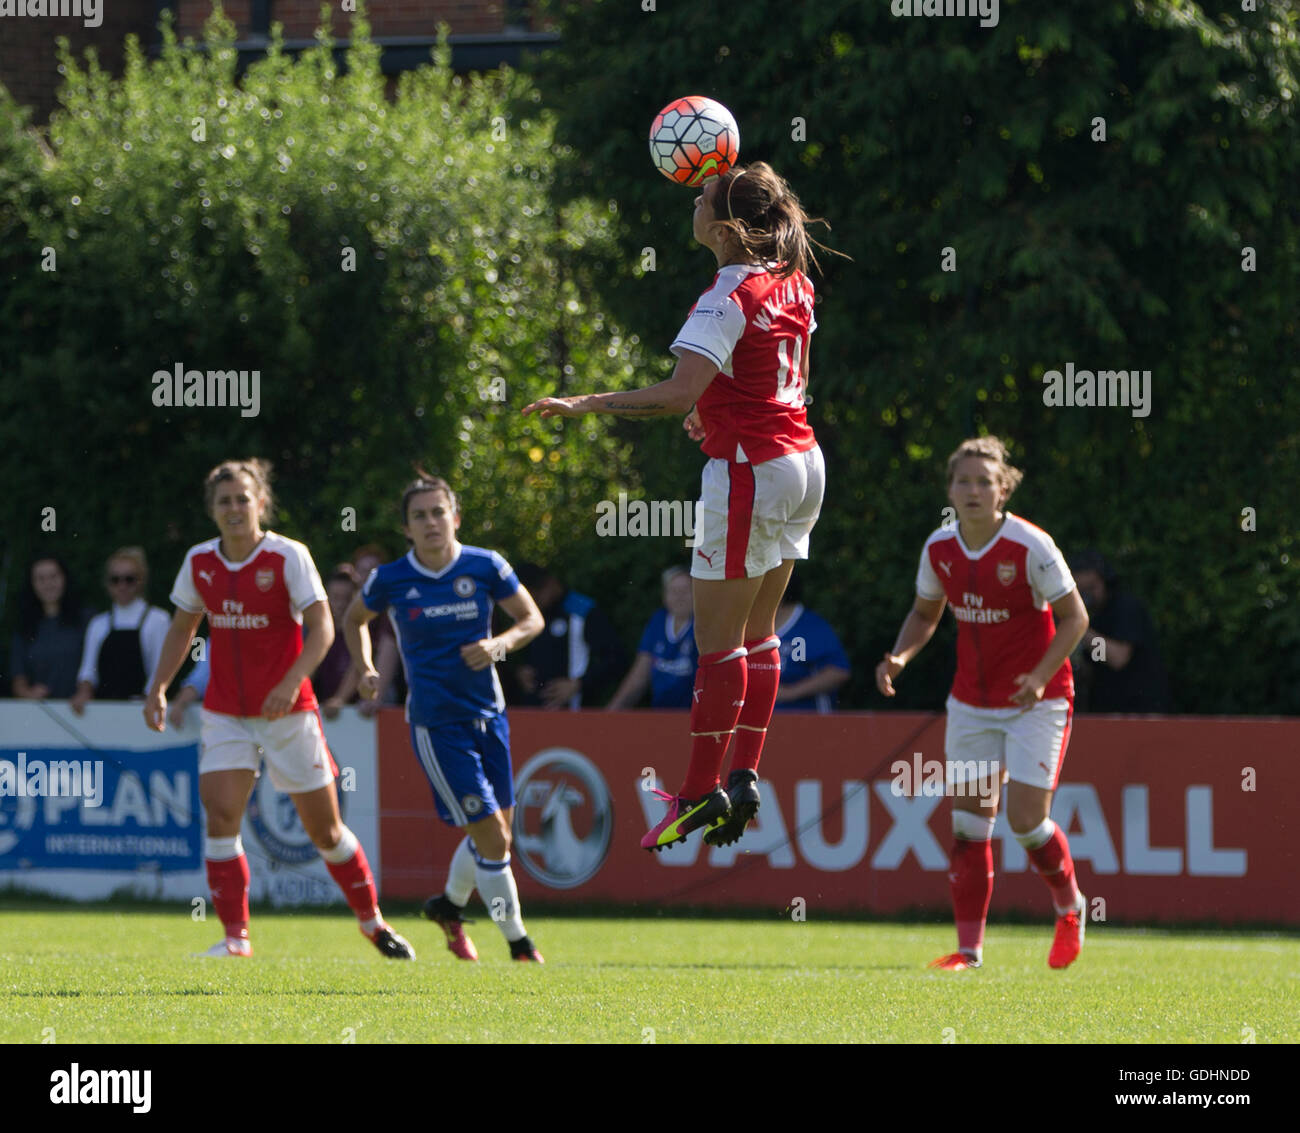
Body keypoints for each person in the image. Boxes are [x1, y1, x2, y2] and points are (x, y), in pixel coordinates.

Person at [524, 160, 838, 851]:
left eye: (701, 195)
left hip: (750, 470)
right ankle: (746, 774)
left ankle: (699, 792)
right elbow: (784, 382)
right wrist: (715, 407)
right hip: (802, 463)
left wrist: (585, 403)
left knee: (715, 644)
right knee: (759, 632)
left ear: (724, 227)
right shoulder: (794, 282)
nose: (691, 199)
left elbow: (673, 392)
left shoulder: (728, 293)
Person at [143, 459, 413, 961]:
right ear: (212, 510)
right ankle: (235, 939)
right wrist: (159, 686)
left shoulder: (288, 556)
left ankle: (372, 923)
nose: (233, 508)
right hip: (225, 712)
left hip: (290, 714)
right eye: (223, 501)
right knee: (221, 817)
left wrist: (291, 684)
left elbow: (323, 628)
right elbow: (183, 629)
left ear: (260, 503)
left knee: (326, 833)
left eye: (242, 498)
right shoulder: (200, 561)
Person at [875, 436, 1090, 971]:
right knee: (969, 827)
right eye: (963, 481)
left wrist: (1040, 678)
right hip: (971, 705)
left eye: (984, 482)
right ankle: (969, 952)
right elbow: (926, 614)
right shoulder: (939, 548)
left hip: (1037, 703)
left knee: (1025, 822)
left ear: (1003, 490)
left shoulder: (1030, 545)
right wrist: (900, 657)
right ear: (950, 488)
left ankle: (1070, 908)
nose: (973, 491)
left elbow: (1076, 618)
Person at [344, 471, 547, 963]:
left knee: (496, 832)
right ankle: (520, 945)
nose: (432, 522)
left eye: (439, 512)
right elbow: (353, 621)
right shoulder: (391, 579)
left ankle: (448, 907)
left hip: (491, 715)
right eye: (420, 515)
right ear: (407, 529)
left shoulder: (485, 565)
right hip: (436, 725)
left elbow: (531, 618)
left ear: (455, 517)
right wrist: (367, 668)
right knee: (492, 837)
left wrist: (500, 644)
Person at [506, 563, 625, 709]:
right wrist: (520, 672)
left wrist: (579, 684)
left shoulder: (583, 611)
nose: (534, 604)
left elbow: (615, 659)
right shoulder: (529, 615)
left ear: (550, 583)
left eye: (536, 597)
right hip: (534, 712)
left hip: (575, 712)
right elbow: (513, 654)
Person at [1069, 550, 1170, 712]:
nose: (1087, 595)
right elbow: (1100, 658)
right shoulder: (1096, 617)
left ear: (1106, 582)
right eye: (1080, 590)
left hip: (1140, 709)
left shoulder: (1125, 608)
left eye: (1091, 587)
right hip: (1109, 709)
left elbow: (1118, 658)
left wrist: (1077, 626)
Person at [70, 548, 170, 713]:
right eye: (115, 580)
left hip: (143, 710)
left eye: (129, 579)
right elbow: (88, 671)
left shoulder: (158, 619)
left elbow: (160, 671)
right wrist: (83, 692)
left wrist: (149, 701)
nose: (122, 586)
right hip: (102, 711)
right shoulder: (98, 623)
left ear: (141, 581)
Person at [607, 566, 698, 709]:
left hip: (694, 717)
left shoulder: (703, 625)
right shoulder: (658, 621)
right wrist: (609, 714)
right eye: (673, 591)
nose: (679, 596)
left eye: (685, 591)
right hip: (660, 714)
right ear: (664, 595)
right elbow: (639, 675)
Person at [10, 555, 90, 699]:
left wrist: (85, 691)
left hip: (84, 710)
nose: (48, 584)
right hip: (41, 711)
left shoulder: (86, 620)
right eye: (40, 579)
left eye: (54, 576)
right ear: (32, 584)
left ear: (65, 578)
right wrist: (27, 693)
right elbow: (18, 678)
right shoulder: (23, 626)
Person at [771, 571, 850, 712]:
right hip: (759, 724)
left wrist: (790, 693)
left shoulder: (811, 627)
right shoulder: (747, 627)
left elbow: (838, 671)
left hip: (808, 722)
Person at [314, 565, 362, 718]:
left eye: (346, 599)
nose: (340, 605)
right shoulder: (316, 632)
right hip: (321, 709)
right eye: (335, 598)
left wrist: (339, 700)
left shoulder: (361, 633)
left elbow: (358, 668)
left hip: (356, 715)